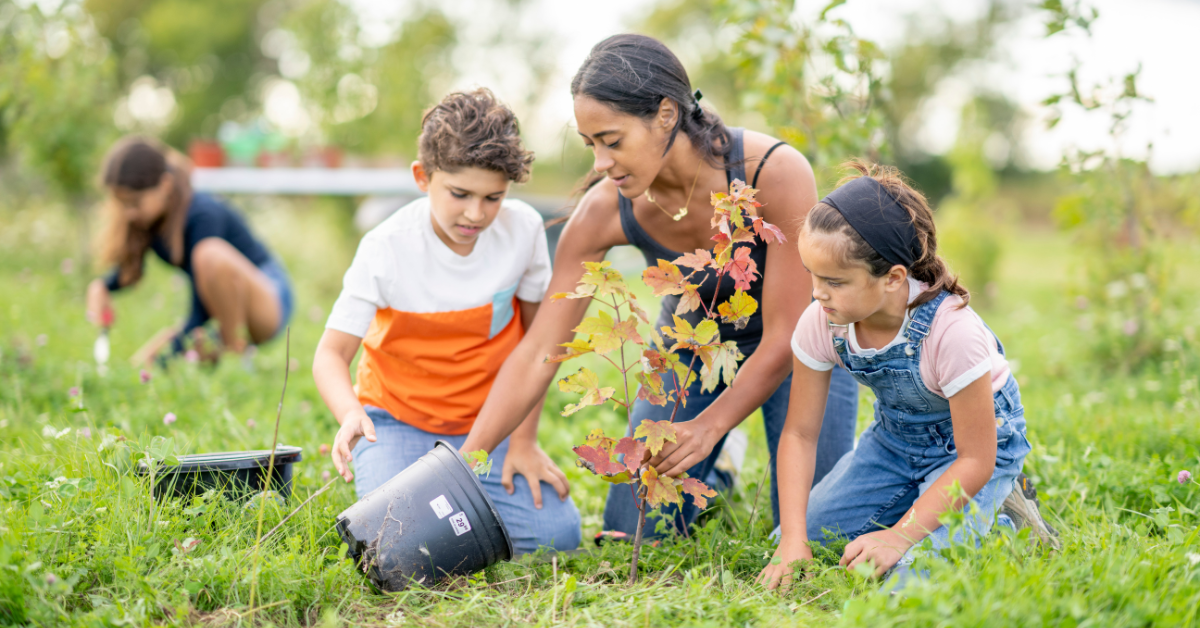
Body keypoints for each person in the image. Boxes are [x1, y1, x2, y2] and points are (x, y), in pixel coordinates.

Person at [459, 34, 860, 537]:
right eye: (591, 145)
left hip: (800, 346)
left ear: (666, 115)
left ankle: (730, 451)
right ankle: (719, 474)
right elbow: (542, 346)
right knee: (639, 533)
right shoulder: (606, 209)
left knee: (816, 531)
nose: (600, 164)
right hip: (689, 345)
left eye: (612, 141)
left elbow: (785, 336)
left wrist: (710, 425)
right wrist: (465, 464)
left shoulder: (772, 173)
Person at [757, 161, 1058, 591]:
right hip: (894, 443)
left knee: (914, 575)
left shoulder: (952, 332)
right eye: (812, 276)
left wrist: (899, 536)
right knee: (808, 536)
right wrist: (792, 538)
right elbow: (800, 435)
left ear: (894, 278)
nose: (817, 293)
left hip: (975, 451)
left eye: (834, 281)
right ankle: (934, 507)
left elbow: (976, 458)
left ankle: (1001, 519)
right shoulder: (822, 320)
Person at [314, 88, 581, 554]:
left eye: (493, 197)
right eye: (459, 194)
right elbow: (330, 355)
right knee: (393, 545)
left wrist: (523, 441)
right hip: (396, 422)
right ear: (423, 177)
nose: (476, 214)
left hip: (485, 426)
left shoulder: (522, 231)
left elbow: (536, 346)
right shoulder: (386, 247)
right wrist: (350, 412)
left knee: (557, 537)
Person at [85, 137, 292, 364]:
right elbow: (130, 270)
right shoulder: (151, 220)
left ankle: (237, 357)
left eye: (135, 203)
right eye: (122, 205)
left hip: (270, 297)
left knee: (209, 255)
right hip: (225, 311)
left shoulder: (203, 214)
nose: (129, 214)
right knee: (194, 348)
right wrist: (102, 286)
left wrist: (166, 354)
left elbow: (200, 310)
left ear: (164, 186)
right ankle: (220, 352)